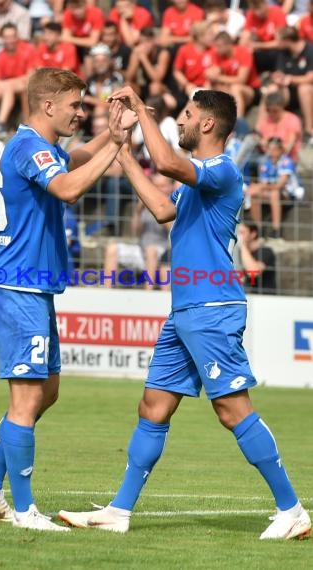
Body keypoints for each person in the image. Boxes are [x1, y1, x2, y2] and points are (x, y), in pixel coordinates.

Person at [58, 88, 311, 540]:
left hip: (212, 308)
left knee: (232, 410)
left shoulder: (221, 171)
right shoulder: (198, 180)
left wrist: (138, 106)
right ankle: (119, 510)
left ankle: (291, 509)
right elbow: (161, 209)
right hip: (186, 309)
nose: (181, 120)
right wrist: (121, 150)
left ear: (208, 124)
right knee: (153, 407)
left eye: (188, 114)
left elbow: (170, 162)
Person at [0, 67, 134, 532]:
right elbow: (69, 187)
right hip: (17, 287)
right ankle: (24, 510)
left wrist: (108, 135)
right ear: (47, 105)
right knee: (26, 400)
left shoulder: (39, 147)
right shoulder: (28, 147)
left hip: (31, 287)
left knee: (47, 391)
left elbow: (72, 160)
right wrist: (117, 147)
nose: (81, 112)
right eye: (76, 105)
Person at [245, 136, 304, 239]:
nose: (272, 152)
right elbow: (264, 183)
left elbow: (280, 185)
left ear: (281, 149)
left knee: (274, 193)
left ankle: (276, 230)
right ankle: (259, 229)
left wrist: (260, 186)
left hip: (292, 193)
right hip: (275, 192)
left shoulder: (287, 162)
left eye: (275, 149)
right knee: (254, 194)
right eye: (269, 149)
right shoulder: (266, 162)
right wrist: (257, 188)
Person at [236, 222, 277, 295]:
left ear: (253, 234)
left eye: (242, 233)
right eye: (238, 233)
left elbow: (253, 272)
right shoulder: (241, 253)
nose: (239, 236)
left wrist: (242, 245)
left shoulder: (266, 252)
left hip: (266, 299)